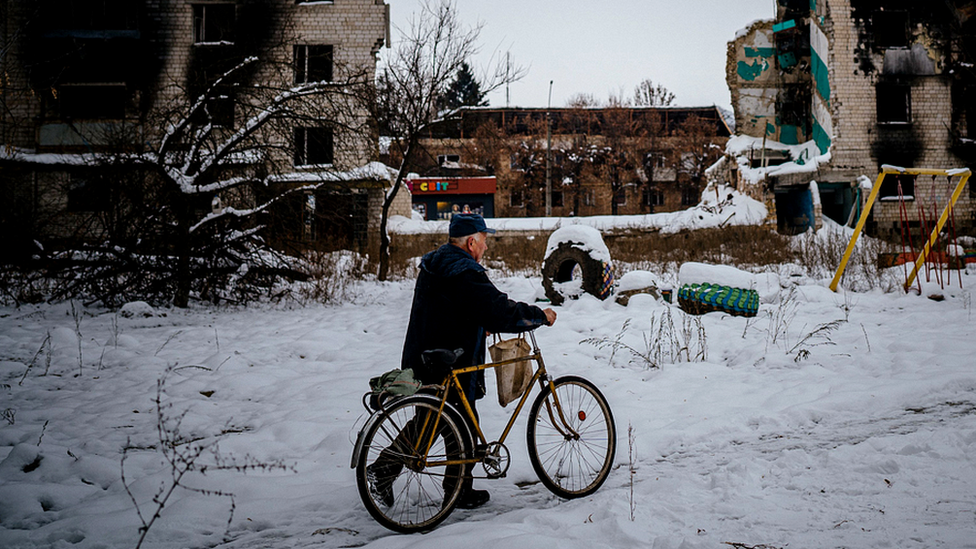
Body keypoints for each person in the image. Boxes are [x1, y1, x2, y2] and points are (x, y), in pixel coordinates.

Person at [368, 213, 556, 510]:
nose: (485, 247)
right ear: (471, 242)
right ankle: (396, 474)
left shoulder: (436, 263)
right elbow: (496, 309)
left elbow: (453, 307)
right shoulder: (465, 271)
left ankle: (453, 488)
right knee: (452, 423)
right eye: (483, 241)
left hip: (424, 354)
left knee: (439, 421)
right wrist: (537, 316)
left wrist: (480, 323)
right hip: (451, 359)